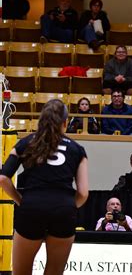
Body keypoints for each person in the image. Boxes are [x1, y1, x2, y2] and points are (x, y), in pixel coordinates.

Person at [0, 99, 89, 275]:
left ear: (41, 120)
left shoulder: (25, 143)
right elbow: (83, 193)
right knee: (54, 271)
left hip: (32, 207)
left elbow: (3, 178)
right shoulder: (78, 149)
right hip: (63, 209)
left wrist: (21, 201)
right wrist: (68, 206)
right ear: (65, 123)